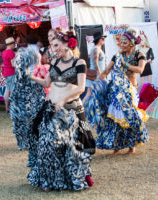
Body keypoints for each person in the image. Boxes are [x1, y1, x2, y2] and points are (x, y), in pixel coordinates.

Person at [10, 30, 95, 191]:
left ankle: (69, 179)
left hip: (70, 110)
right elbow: (47, 83)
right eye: (52, 45)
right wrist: (29, 76)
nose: (53, 49)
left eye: (56, 45)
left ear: (67, 44)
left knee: (70, 149)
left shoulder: (79, 63)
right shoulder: (55, 63)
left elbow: (81, 87)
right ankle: (48, 180)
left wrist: (63, 100)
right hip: (51, 109)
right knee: (46, 145)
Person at [84, 28, 149, 154]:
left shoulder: (139, 55)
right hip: (116, 90)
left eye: (125, 42)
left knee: (128, 116)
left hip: (130, 90)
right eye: (121, 42)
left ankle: (132, 144)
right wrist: (98, 81)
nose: (122, 44)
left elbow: (140, 70)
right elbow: (107, 70)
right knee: (114, 117)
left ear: (132, 42)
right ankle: (116, 144)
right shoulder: (117, 55)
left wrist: (125, 65)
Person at [83, 32, 106, 103]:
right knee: (89, 94)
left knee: (91, 94)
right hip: (95, 76)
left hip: (96, 75)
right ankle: (82, 109)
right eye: (103, 38)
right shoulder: (96, 49)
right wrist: (99, 74)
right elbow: (95, 63)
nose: (104, 40)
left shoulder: (97, 49)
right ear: (99, 39)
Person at [2, 37, 16, 112]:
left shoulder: (4, 52)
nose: (14, 45)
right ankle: (13, 108)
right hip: (12, 73)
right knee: (13, 90)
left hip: (6, 73)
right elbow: (13, 64)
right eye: (14, 44)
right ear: (11, 44)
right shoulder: (11, 52)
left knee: (7, 90)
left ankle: (7, 108)